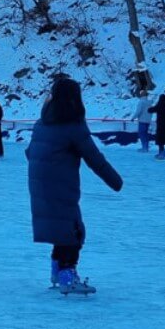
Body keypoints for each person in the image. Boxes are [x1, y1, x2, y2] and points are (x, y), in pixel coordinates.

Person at [26, 77, 123, 296]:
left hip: (40, 185)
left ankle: (57, 272)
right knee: (73, 231)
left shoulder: (42, 122)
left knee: (62, 229)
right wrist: (116, 182)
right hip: (61, 185)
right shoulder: (73, 126)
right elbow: (94, 158)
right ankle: (67, 277)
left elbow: (30, 153)